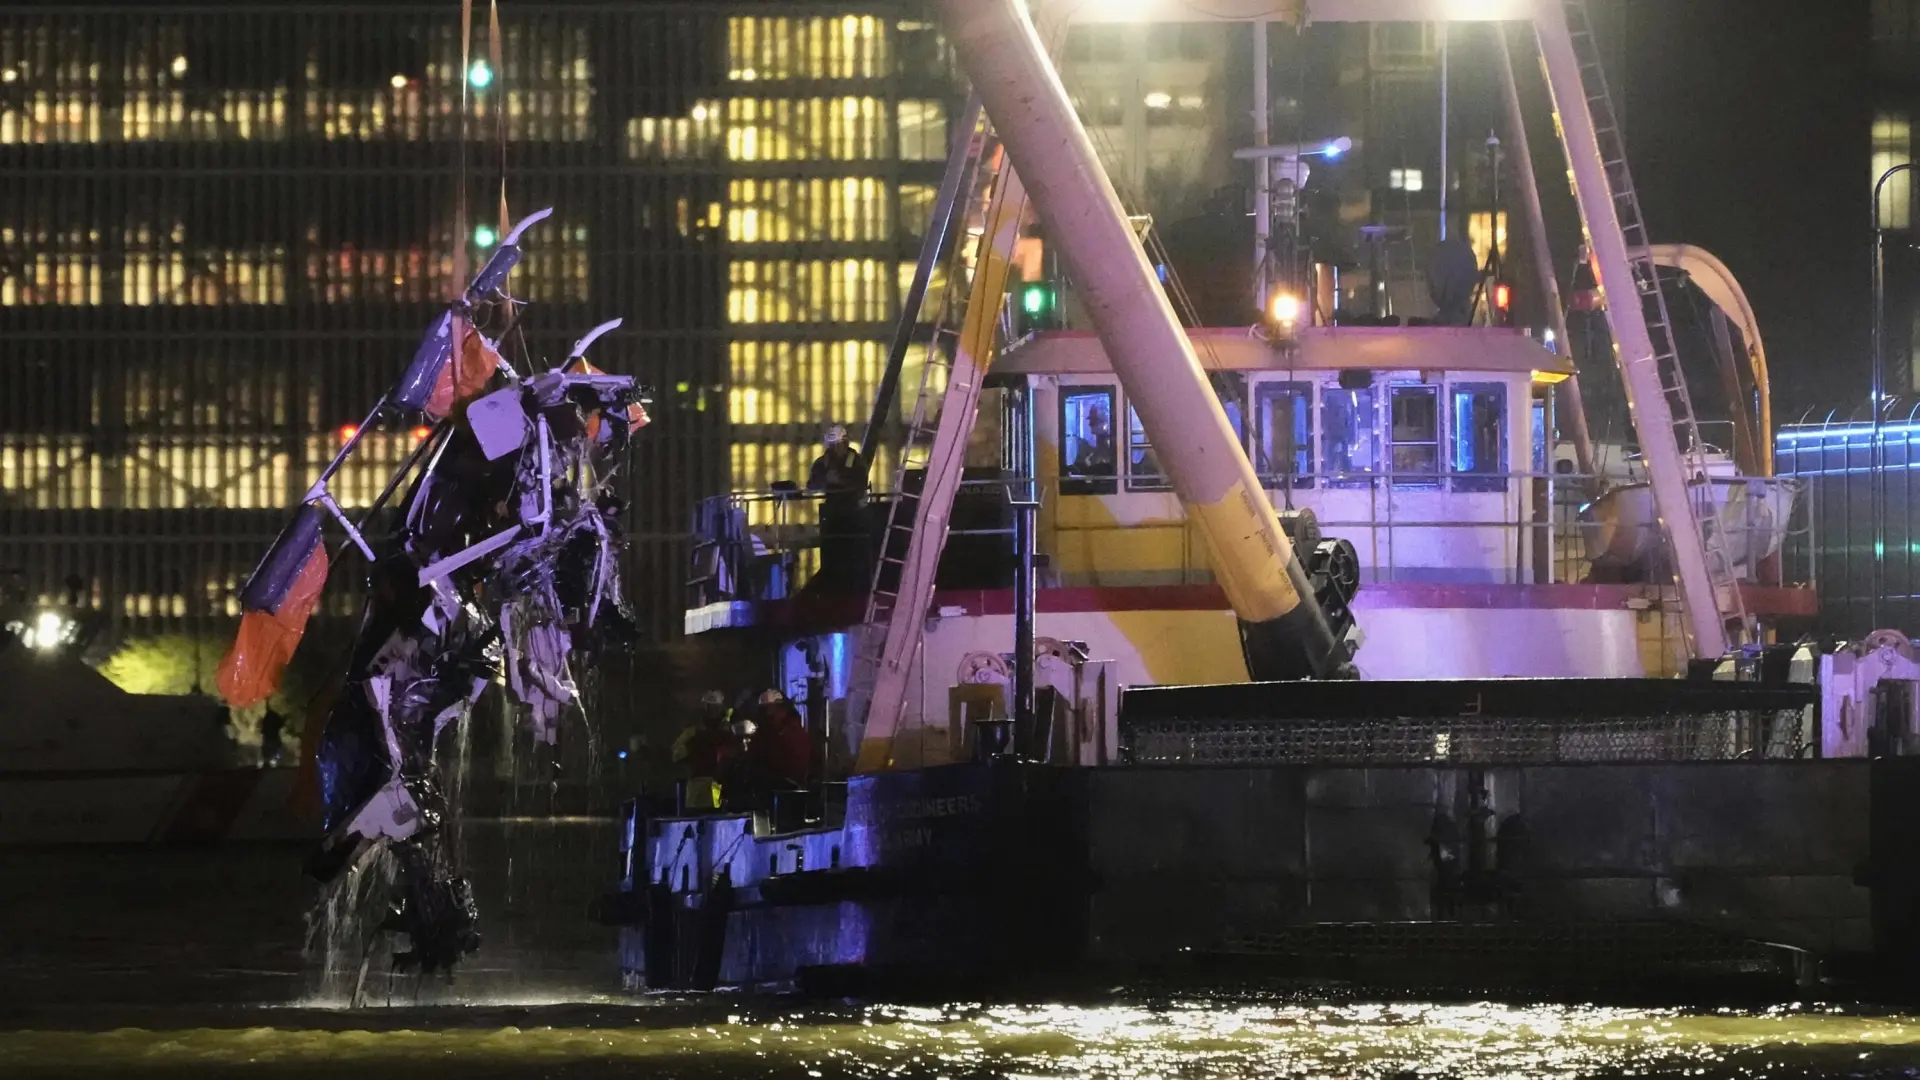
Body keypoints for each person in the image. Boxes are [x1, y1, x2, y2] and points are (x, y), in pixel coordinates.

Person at [807, 425, 868, 588]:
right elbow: (812, 484)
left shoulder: (856, 462)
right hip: (830, 513)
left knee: (851, 551)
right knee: (831, 550)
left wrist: (839, 482)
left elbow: (860, 485)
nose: (836, 449)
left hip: (851, 513)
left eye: (839, 445)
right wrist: (826, 481)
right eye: (833, 445)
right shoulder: (823, 462)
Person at [671, 690, 735, 808]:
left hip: (715, 782)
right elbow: (676, 753)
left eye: (714, 707)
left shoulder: (727, 730)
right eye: (711, 707)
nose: (712, 710)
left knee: (713, 812)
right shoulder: (694, 730)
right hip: (699, 781)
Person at [746, 689, 813, 792]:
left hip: (788, 788)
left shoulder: (791, 730)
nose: (767, 713)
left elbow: (797, 761)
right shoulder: (764, 733)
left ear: (780, 709)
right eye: (763, 710)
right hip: (765, 787)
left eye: (769, 709)